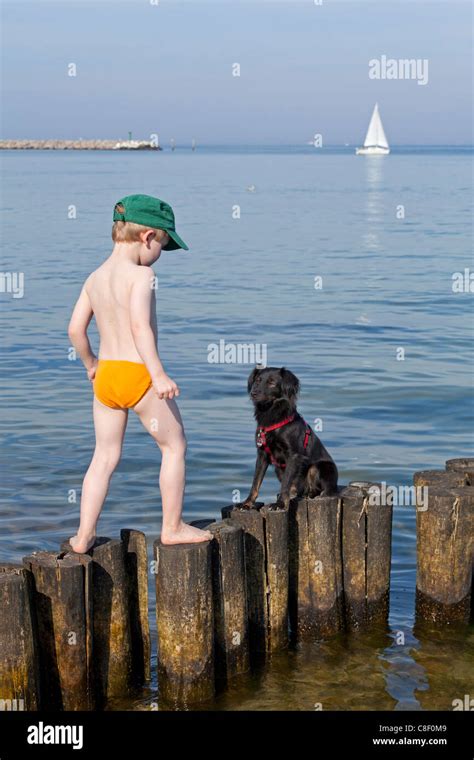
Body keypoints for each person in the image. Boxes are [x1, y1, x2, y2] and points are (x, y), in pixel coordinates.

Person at [67, 194, 212, 552]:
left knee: (104, 457)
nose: (160, 253)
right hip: (139, 374)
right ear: (147, 237)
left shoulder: (95, 277)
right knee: (174, 446)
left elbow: (74, 330)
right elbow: (139, 327)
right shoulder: (143, 275)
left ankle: (84, 535)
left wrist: (90, 365)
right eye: (163, 243)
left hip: (107, 377)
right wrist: (159, 375)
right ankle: (173, 526)